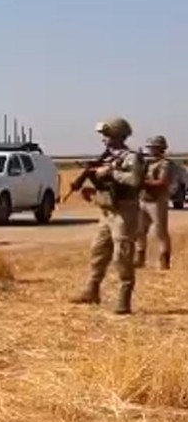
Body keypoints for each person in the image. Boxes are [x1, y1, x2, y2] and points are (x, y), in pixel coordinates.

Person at [74, 117, 145, 314]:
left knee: (121, 254)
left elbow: (135, 180)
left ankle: (124, 298)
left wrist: (111, 172)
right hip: (106, 211)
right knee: (98, 251)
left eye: (107, 134)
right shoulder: (105, 156)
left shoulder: (131, 158)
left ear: (118, 135)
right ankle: (92, 290)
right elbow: (104, 183)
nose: (104, 139)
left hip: (125, 210)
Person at [137, 135, 178, 270]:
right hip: (144, 199)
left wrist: (142, 182)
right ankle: (140, 257)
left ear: (160, 149)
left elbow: (162, 182)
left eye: (153, 148)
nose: (150, 150)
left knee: (160, 231)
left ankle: (164, 260)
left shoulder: (166, 164)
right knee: (140, 230)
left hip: (157, 200)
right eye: (149, 148)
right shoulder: (147, 163)